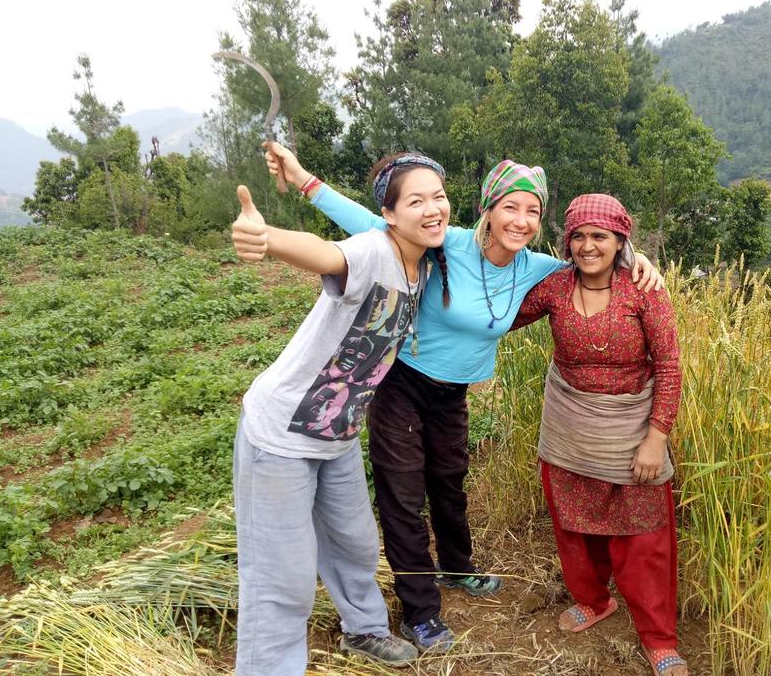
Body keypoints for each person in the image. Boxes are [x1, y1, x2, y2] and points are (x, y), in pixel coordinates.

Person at [256, 144, 664, 652]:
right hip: (403, 383)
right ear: (487, 210)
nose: (520, 220)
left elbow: (592, 256)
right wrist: (304, 181)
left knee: (449, 484)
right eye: (509, 207)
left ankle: (456, 570)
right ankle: (419, 612)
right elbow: (368, 222)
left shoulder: (537, 267)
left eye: (532, 210)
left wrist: (637, 258)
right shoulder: (443, 242)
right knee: (403, 497)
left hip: (453, 395)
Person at [229, 152, 450, 675]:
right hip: (280, 435)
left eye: (438, 196)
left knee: (355, 541)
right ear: (390, 214)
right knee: (281, 574)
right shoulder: (375, 250)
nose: (432, 208)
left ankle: (366, 630)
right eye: (415, 200)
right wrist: (270, 239)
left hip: (337, 433)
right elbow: (329, 255)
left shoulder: (423, 263)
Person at [512, 193, 687, 676]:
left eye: (600, 236)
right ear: (566, 242)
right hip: (568, 427)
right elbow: (499, 316)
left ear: (620, 241)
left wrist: (656, 437)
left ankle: (658, 637)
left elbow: (669, 366)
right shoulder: (553, 287)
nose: (589, 246)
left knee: (644, 539)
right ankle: (593, 601)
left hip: (632, 428)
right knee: (573, 524)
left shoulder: (644, 290)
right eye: (579, 237)